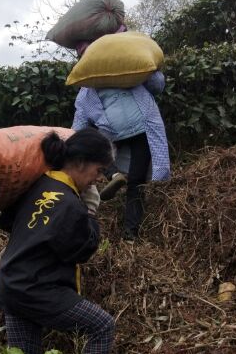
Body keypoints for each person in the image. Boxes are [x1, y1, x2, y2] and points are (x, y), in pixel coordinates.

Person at [0, 128, 115, 354]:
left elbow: (5, 221)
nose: (97, 179)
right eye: (98, 170)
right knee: (101, 327)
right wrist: (91, 211)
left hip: (11, 283)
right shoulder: (71, 205)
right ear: (81, 162)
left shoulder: (38, 183)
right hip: (36, 289)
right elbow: (82, 249)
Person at [72, 71, 170, 241]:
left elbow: (79, 125)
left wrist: (70, 145)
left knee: (97, 153)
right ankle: (130, 235)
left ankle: (113, 174)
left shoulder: (86, 90)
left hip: (112, 128)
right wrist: (153, 70)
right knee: (136, 182)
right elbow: (157, 85)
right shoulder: (130, 71)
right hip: (143, 125)